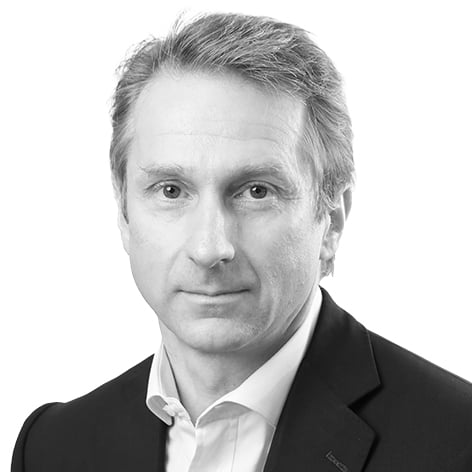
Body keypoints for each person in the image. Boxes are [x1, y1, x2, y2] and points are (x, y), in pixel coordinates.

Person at [12, 12, 472, 472]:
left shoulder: (458, 441)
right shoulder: (52, 449)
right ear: (124, 213)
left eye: (256, 191)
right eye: (170, 190)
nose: (210, 248)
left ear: (330, 220)